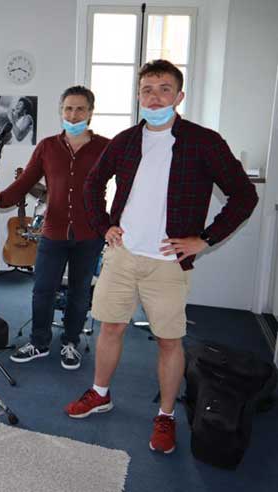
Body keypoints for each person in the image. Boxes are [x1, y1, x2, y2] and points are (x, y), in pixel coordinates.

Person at [65, 60, 258, 454]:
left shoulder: (204, 142)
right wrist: (104, 225)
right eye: (148, 89)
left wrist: (204, 239)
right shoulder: (124, 140)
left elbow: (244, 195)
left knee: (170, 342)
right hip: (121, 255)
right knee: (110, 328)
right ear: (139, 96)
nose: (155, 96)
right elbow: (92, 184)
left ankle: (166, 415)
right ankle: (100, 393)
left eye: (164, 89)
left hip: (168, 264)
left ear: (179, 96)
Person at [0, 86, 109, 370]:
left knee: (79, 292)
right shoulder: (47, 147)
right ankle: (39, 342)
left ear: (90, 112)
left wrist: (115, 221)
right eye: (68, 108)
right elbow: (25, 182)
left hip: (90, 234)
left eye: (79, 109)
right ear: (60, 111)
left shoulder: (105, 147)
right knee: (42, 290)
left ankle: (71, 342)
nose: (73, 114)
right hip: (53, 231)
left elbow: (126, 185)